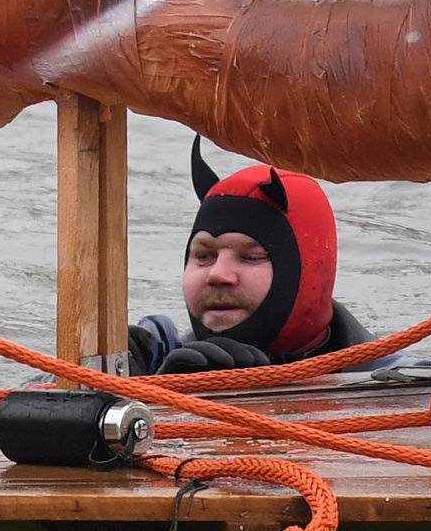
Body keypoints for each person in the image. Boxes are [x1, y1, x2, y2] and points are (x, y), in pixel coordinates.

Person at [127, 140, 367, 375]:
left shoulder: (389, 379)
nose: (217, 274)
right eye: (203, 256)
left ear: (309, 273)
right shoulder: (157, 358)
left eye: (251, 257)